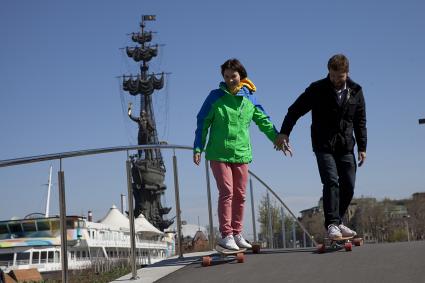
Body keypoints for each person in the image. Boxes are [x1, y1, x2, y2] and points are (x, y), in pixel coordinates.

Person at [275, 54, 367, 239]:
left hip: (346, 145)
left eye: (339, 77)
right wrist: (284, 132)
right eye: (332, 76)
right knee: (331, 181)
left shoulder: (356, 91)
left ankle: (338, 221)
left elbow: (360, 120)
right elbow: (295, 110)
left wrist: (362, 147)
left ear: (347, 73)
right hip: (323, 144)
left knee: (348, 185)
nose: (335, 80)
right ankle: (332, 223)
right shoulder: (317, 89)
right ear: (329, 72)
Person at [193, 58, 279, 250]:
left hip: (241, 153)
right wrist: (198, 147)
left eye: (234, 76)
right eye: (227, 76)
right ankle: (227, 235)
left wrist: (277, 138)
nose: (231, 79)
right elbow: (203, 122)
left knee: (240, 194)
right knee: (227, 192)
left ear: (241, 76)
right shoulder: (215, 97)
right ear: (223, 78)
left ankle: (237, 233)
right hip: (218, 153)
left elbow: (263, 120)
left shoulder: (250, 98)